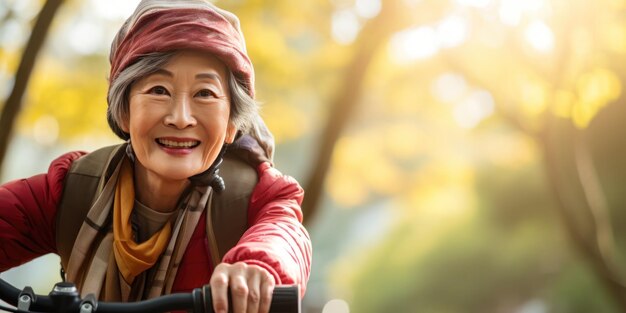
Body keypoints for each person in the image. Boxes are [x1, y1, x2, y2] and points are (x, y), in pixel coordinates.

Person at [0, 1, 312, 312]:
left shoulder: (257, 196)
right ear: (124, 112)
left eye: (205, 93)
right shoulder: (75, 188)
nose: (180, 118)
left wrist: (257, 268)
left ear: (232, 124)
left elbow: (283, 235)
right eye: (158, 90)